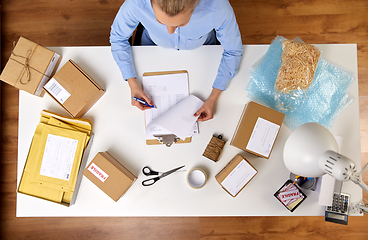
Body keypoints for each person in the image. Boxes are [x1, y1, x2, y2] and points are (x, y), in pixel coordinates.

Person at [110, 0, 243, 121]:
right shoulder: (136, 3)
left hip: (203, 51)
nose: (169, 31)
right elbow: (118, 38)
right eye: (161, 22)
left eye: (181, 24)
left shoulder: (217, 7)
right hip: (151, 50)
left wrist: (213, 98)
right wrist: (132, 83)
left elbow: (233, 50)